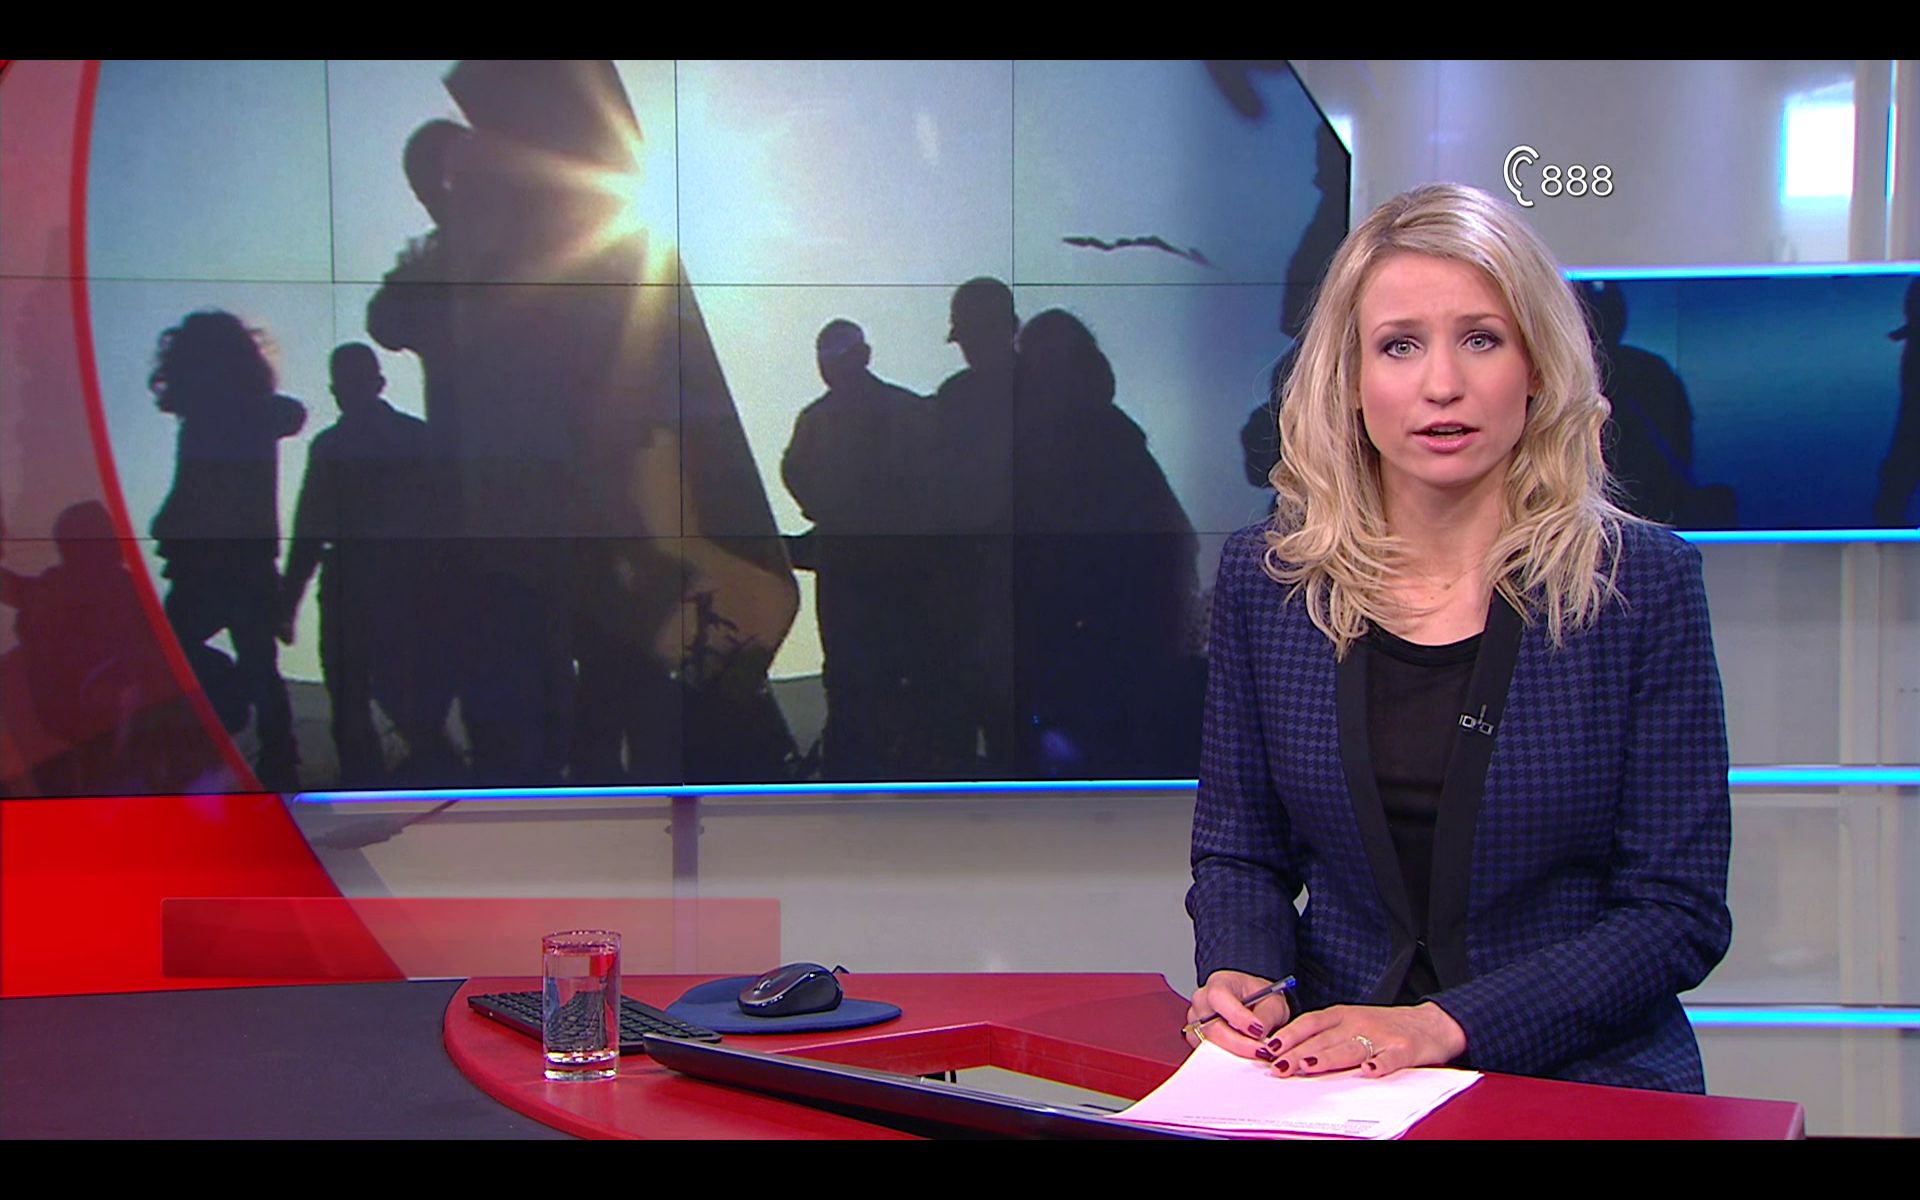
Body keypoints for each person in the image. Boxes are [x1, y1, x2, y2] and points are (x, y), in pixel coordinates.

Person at [1185, 183, 1732, 1093]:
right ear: (1350, 381)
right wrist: (1243, 971)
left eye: (1481, 339)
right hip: (1330, 1076)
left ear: (1538, 367)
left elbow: (1675, 911)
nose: (1442, 384)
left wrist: (1443, 1026)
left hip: (1579, 1076)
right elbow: (1242, 849)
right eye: (1400, 345)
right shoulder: (1271, 579)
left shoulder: (1640, 584)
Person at [281, 344, 459, 785]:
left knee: (356, 707)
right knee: (394, 707)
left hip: (368, 586)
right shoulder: (414, 438)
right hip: (401, 586)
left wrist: (288, 600)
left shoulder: (334, 447)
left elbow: (309, 531)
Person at [148, 310, 306, 790]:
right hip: (234, 564)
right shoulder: (239, 414)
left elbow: (195, 488)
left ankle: (259, 743)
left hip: (216, 565)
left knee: (177, 657)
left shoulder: (224, 416)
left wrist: (170, 524)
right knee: (254, 666)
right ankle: (276, 762)